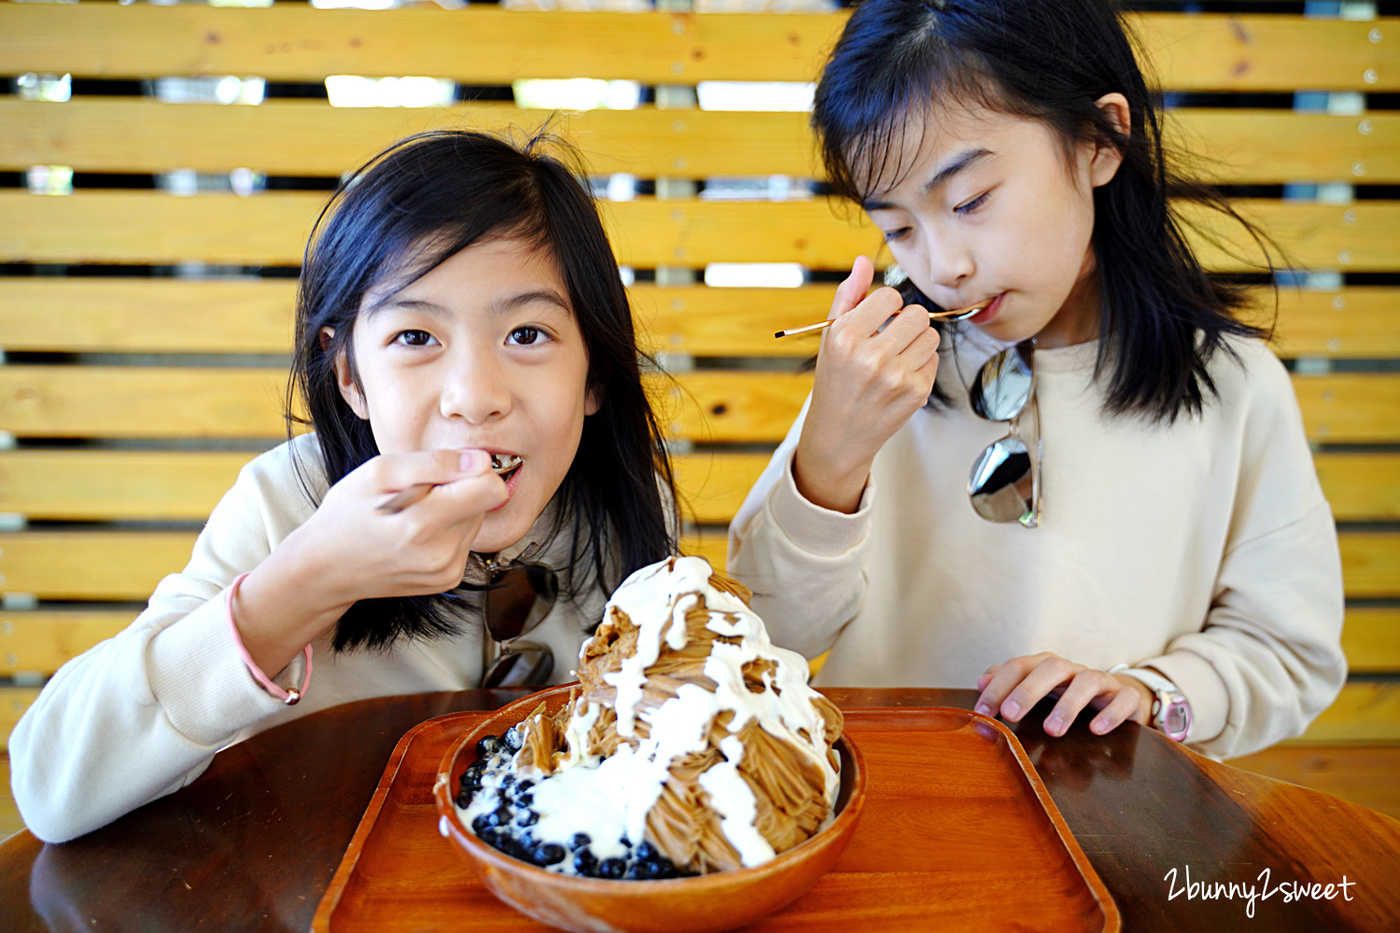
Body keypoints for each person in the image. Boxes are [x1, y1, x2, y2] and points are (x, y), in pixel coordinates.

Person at [11, 128, 677, 843]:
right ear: (350, 376)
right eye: (415, 337)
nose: (474, 396)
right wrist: (308, 580)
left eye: (527, 334)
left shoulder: (624, 510)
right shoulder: (283, 502)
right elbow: (50, 788)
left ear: (595, 373)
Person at [727, 0, 1344, 760]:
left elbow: (1290, 652)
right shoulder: (879, 381)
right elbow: (761, 637)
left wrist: (1156, 693)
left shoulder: (1234, 386)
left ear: (1097, 140)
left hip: (1119, 836)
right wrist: (828, 458)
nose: (942, 265)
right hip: (890, 810)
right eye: (897, 228)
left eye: (971, 200)